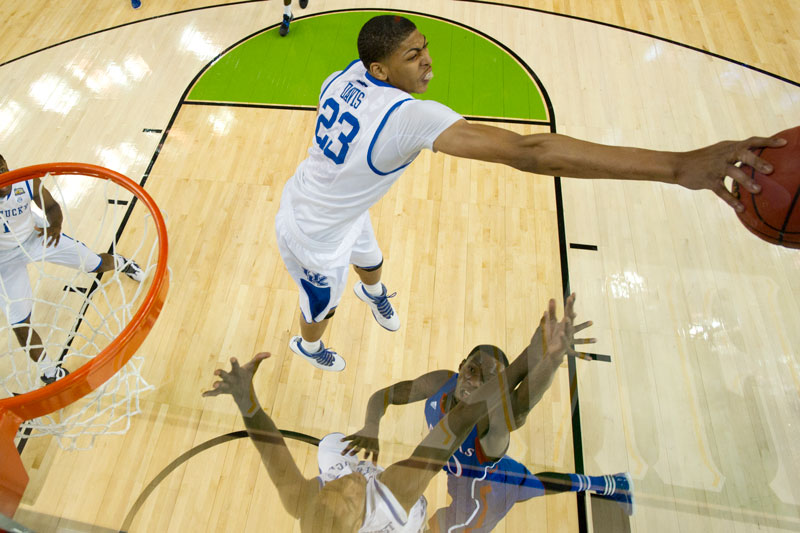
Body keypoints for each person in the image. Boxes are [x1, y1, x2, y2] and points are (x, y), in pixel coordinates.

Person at [275, 14, 786, 371]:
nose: (428, 60)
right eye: (413, 56)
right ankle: (308, 346)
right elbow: (531, 151)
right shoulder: (409, 118)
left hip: (335, 204)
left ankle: (372, 292)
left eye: (425, 46)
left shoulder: (342, 76)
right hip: (312, 235)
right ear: (380, 70)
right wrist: (677, 167)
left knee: (371, 259)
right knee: (321, 306)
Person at [203, 297, 588, 531]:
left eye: (332, 487)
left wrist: (246, 401)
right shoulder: (392, 496)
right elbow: (460, 421)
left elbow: (271, 450)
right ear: (358, 522)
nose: (349, 483)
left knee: (331, 447)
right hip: (421, 514)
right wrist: (539, 354)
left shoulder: (303, 503)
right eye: (351, 499)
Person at [342, 294, 632, 531]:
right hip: (502, 473)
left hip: (479, 502)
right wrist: (371, 426)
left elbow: (522, 405)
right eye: (472, 368)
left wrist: (551, 361)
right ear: (461, 365)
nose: (474, 380)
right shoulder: (441, 382)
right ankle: (612, 483)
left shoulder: (491, 424)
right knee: (536, 485)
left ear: (497, 390)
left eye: (489, 379)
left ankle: (610, 484)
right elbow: (384, 396)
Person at [0, 155, 144, 384]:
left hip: (37, 236)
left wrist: (55, 225)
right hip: (4, 259)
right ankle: (49, 371)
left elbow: (51, 206)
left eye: (2, 169)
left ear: (7, 166)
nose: (1, 177)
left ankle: (122, 263)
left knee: (96, 265)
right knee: (19, 323)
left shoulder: (26, 181)